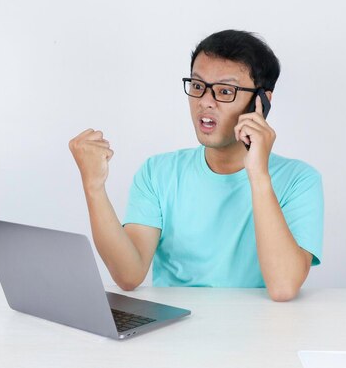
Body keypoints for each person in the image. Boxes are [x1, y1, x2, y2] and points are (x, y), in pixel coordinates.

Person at [69, 30, 323, 301]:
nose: (205, 102)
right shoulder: (157, 173)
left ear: (261, 102)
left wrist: (258, 174)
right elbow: (128, 275)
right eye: (198, 86)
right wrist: (94, 187)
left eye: (225, 91)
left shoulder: (300, 180)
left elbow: (284, 287)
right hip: (174, 332)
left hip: (260, 333)